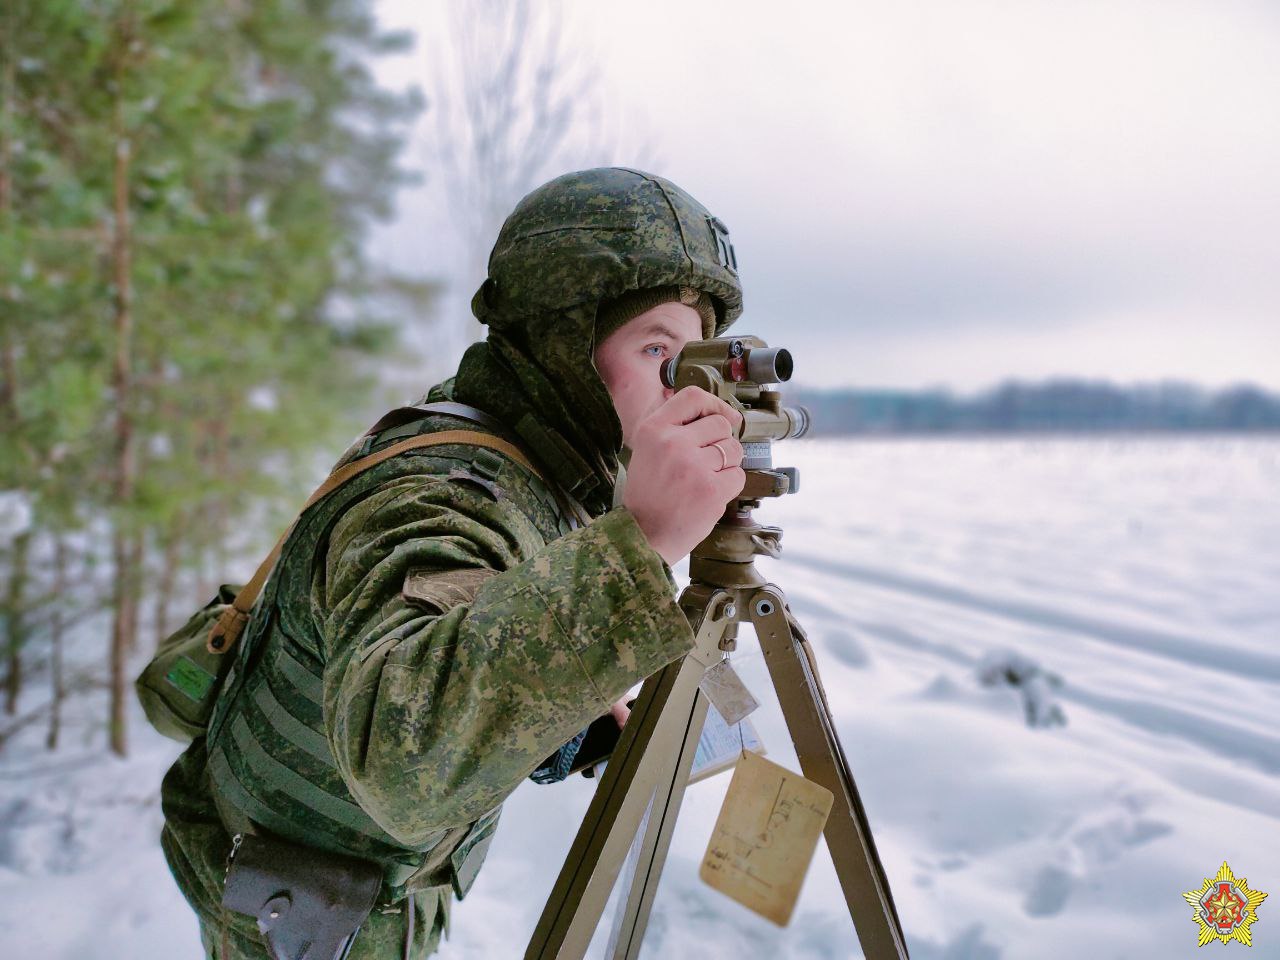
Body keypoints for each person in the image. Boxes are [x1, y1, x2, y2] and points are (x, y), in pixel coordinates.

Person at [158, 167, 746, 958]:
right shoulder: (445, 494)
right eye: (656, 350)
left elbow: (468, 625)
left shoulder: (532, 455)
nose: (685, 388)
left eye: (697, 357)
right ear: (563, 343)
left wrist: (566, 718)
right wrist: (639, 547)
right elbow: (406, 761)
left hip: (325, 879)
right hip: (301, 907)